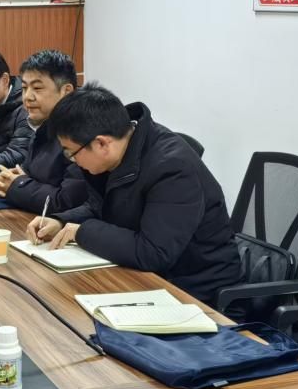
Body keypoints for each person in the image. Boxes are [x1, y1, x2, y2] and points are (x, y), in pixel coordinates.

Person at [26, 82, 243, 304]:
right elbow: (99, 207)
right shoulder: (118, 153)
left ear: (101, 144)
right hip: (150, 279)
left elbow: (153, 253)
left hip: (198, 293)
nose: (73, 161)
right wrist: (61, 222)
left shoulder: (172, 167)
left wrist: (81, 232)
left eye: (71, 153)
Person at [0, 49, 87, 214]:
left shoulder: (81, 134)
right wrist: (7, 181)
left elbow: (68, 202)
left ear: (66, 91)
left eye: (37, 88)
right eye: (24, 88)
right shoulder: (43, 126)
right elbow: (27, 176)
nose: (27, 97)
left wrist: (18, 185)